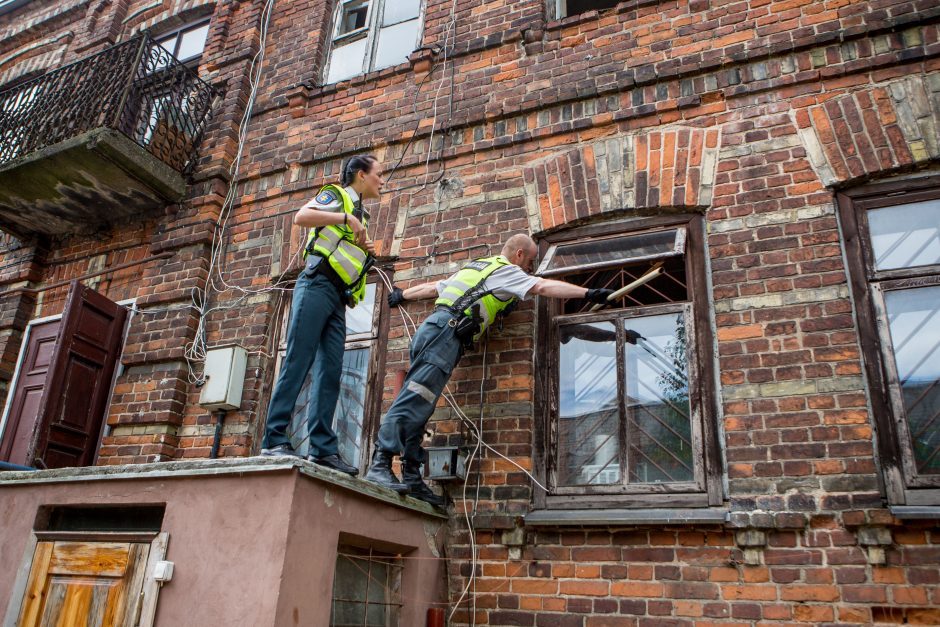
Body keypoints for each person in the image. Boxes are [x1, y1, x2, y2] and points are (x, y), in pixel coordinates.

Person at [365, 233, 616, 505]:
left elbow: (434, 288)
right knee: (416, 398)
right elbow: (542, 287)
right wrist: (589, 293)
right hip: (446, 335)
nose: (530, 269)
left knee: (421, 402)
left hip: (433, 330)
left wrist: (402, 295)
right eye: (530, 261)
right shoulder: (508, 272)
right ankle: (380, 465)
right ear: (519, 255)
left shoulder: (478, 266)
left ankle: (412, 477)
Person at [260, 155, 383, 476]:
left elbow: (347, 259)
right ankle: (273, 438)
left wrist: (366, 251)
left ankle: (322, 450)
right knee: (297, 360)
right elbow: (302, 216)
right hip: (315, 284)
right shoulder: (337, 196)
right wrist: (345, 219)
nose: (381, 181)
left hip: (337, 299)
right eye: (378, 175)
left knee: (331, 371)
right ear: (360, 175)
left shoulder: (361, 217)